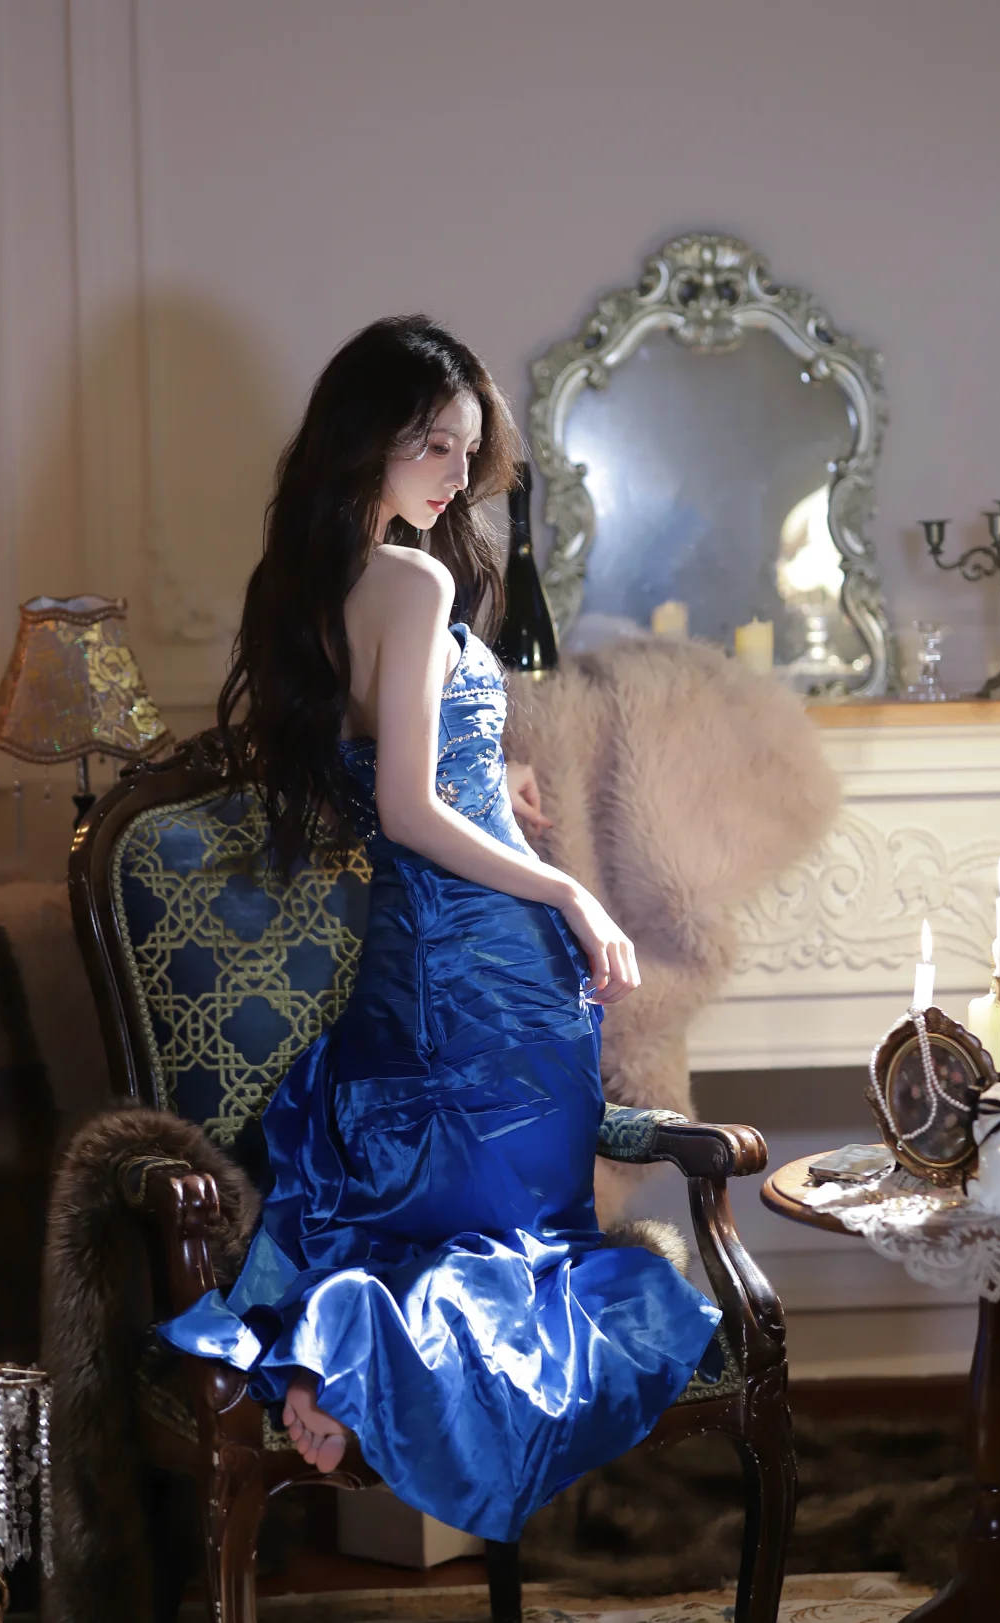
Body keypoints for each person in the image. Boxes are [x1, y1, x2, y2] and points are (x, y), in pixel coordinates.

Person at [159, 315, 720, 1541]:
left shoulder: (327, 584)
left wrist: (494, 779)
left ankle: (334, 1357)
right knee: (519, 1246)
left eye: (470, 454)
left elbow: (392, 770)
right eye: (435, 447)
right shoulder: (411, 582)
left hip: (440, 959)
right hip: (474, 967)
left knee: (475, 1225)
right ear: (368, 439)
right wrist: (570, 892)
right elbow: (409, 809)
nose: (459, 479)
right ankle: (345, 1357)